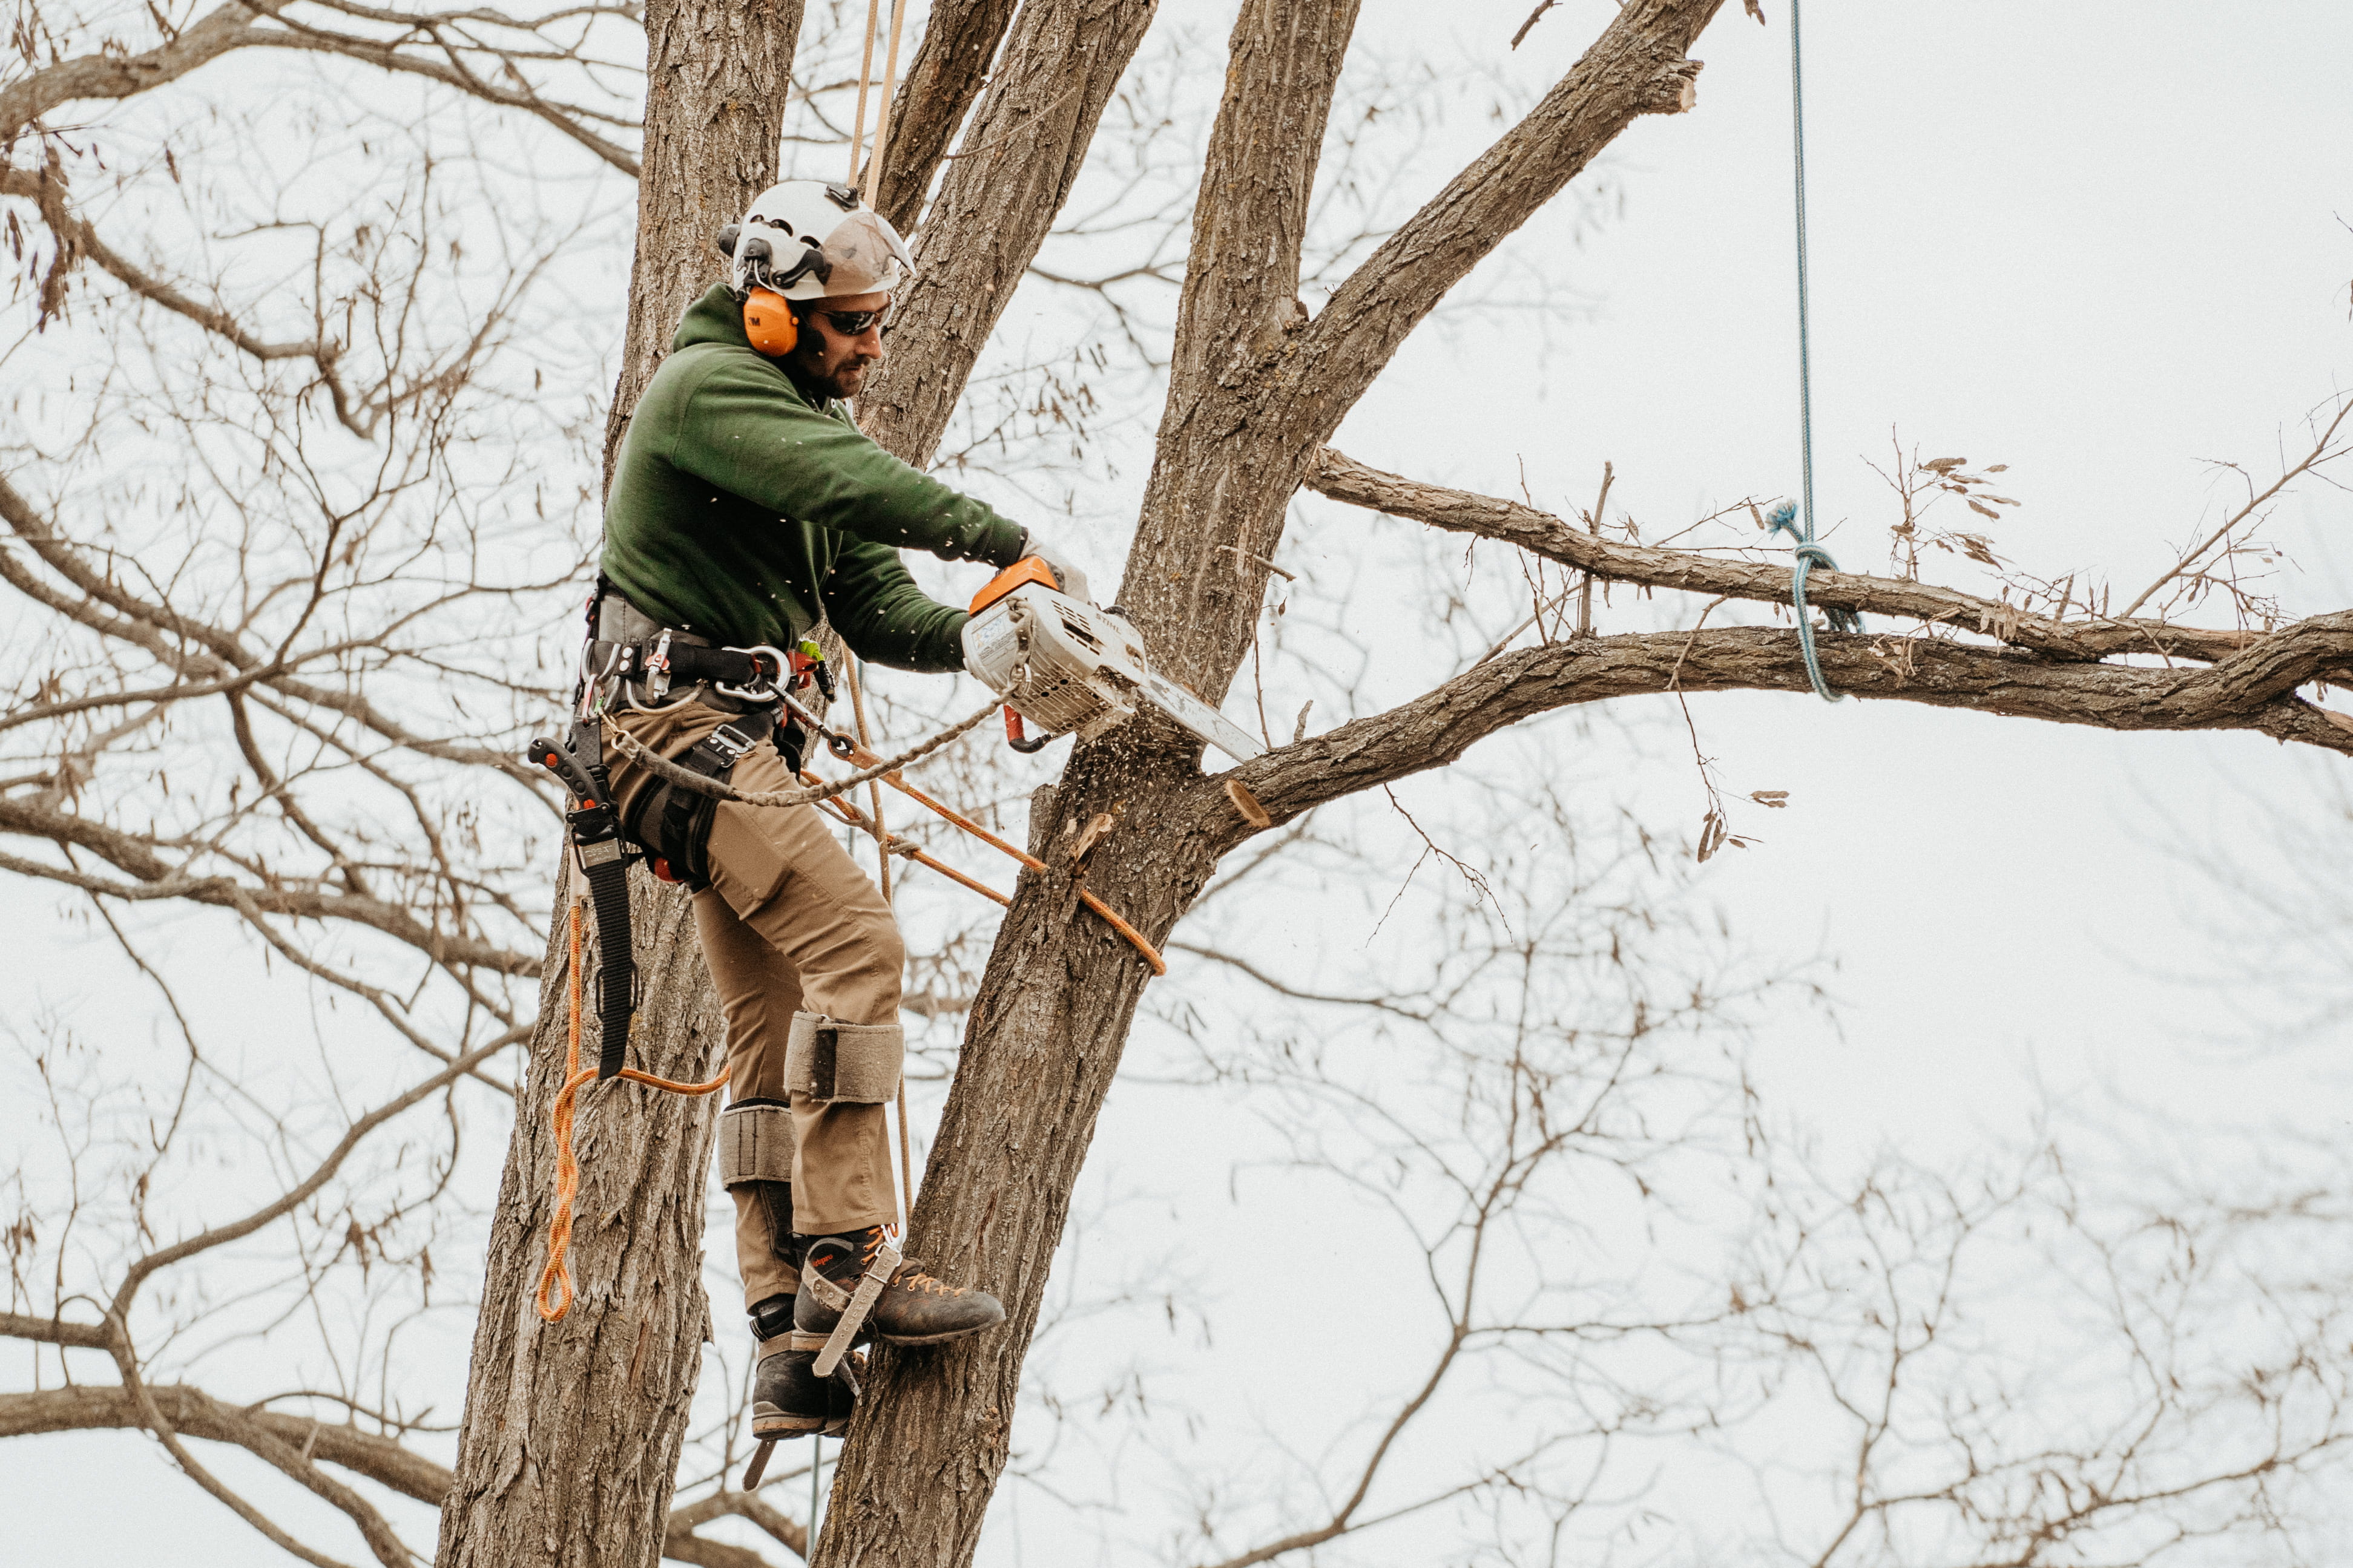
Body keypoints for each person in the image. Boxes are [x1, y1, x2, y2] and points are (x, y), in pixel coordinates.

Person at [588, 179, 1085, 1439]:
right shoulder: (711, 393)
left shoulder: (800, 425)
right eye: (854, 323)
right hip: (676, 733)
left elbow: (873, 601)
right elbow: (862, 488)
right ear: (774, 312)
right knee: (859, 942)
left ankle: (788, 1340)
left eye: (877, 323)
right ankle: (849, 1254)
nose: (872, 345)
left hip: (717, 751)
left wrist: (987, 638)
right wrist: (1006, 539)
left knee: (769, 1026)